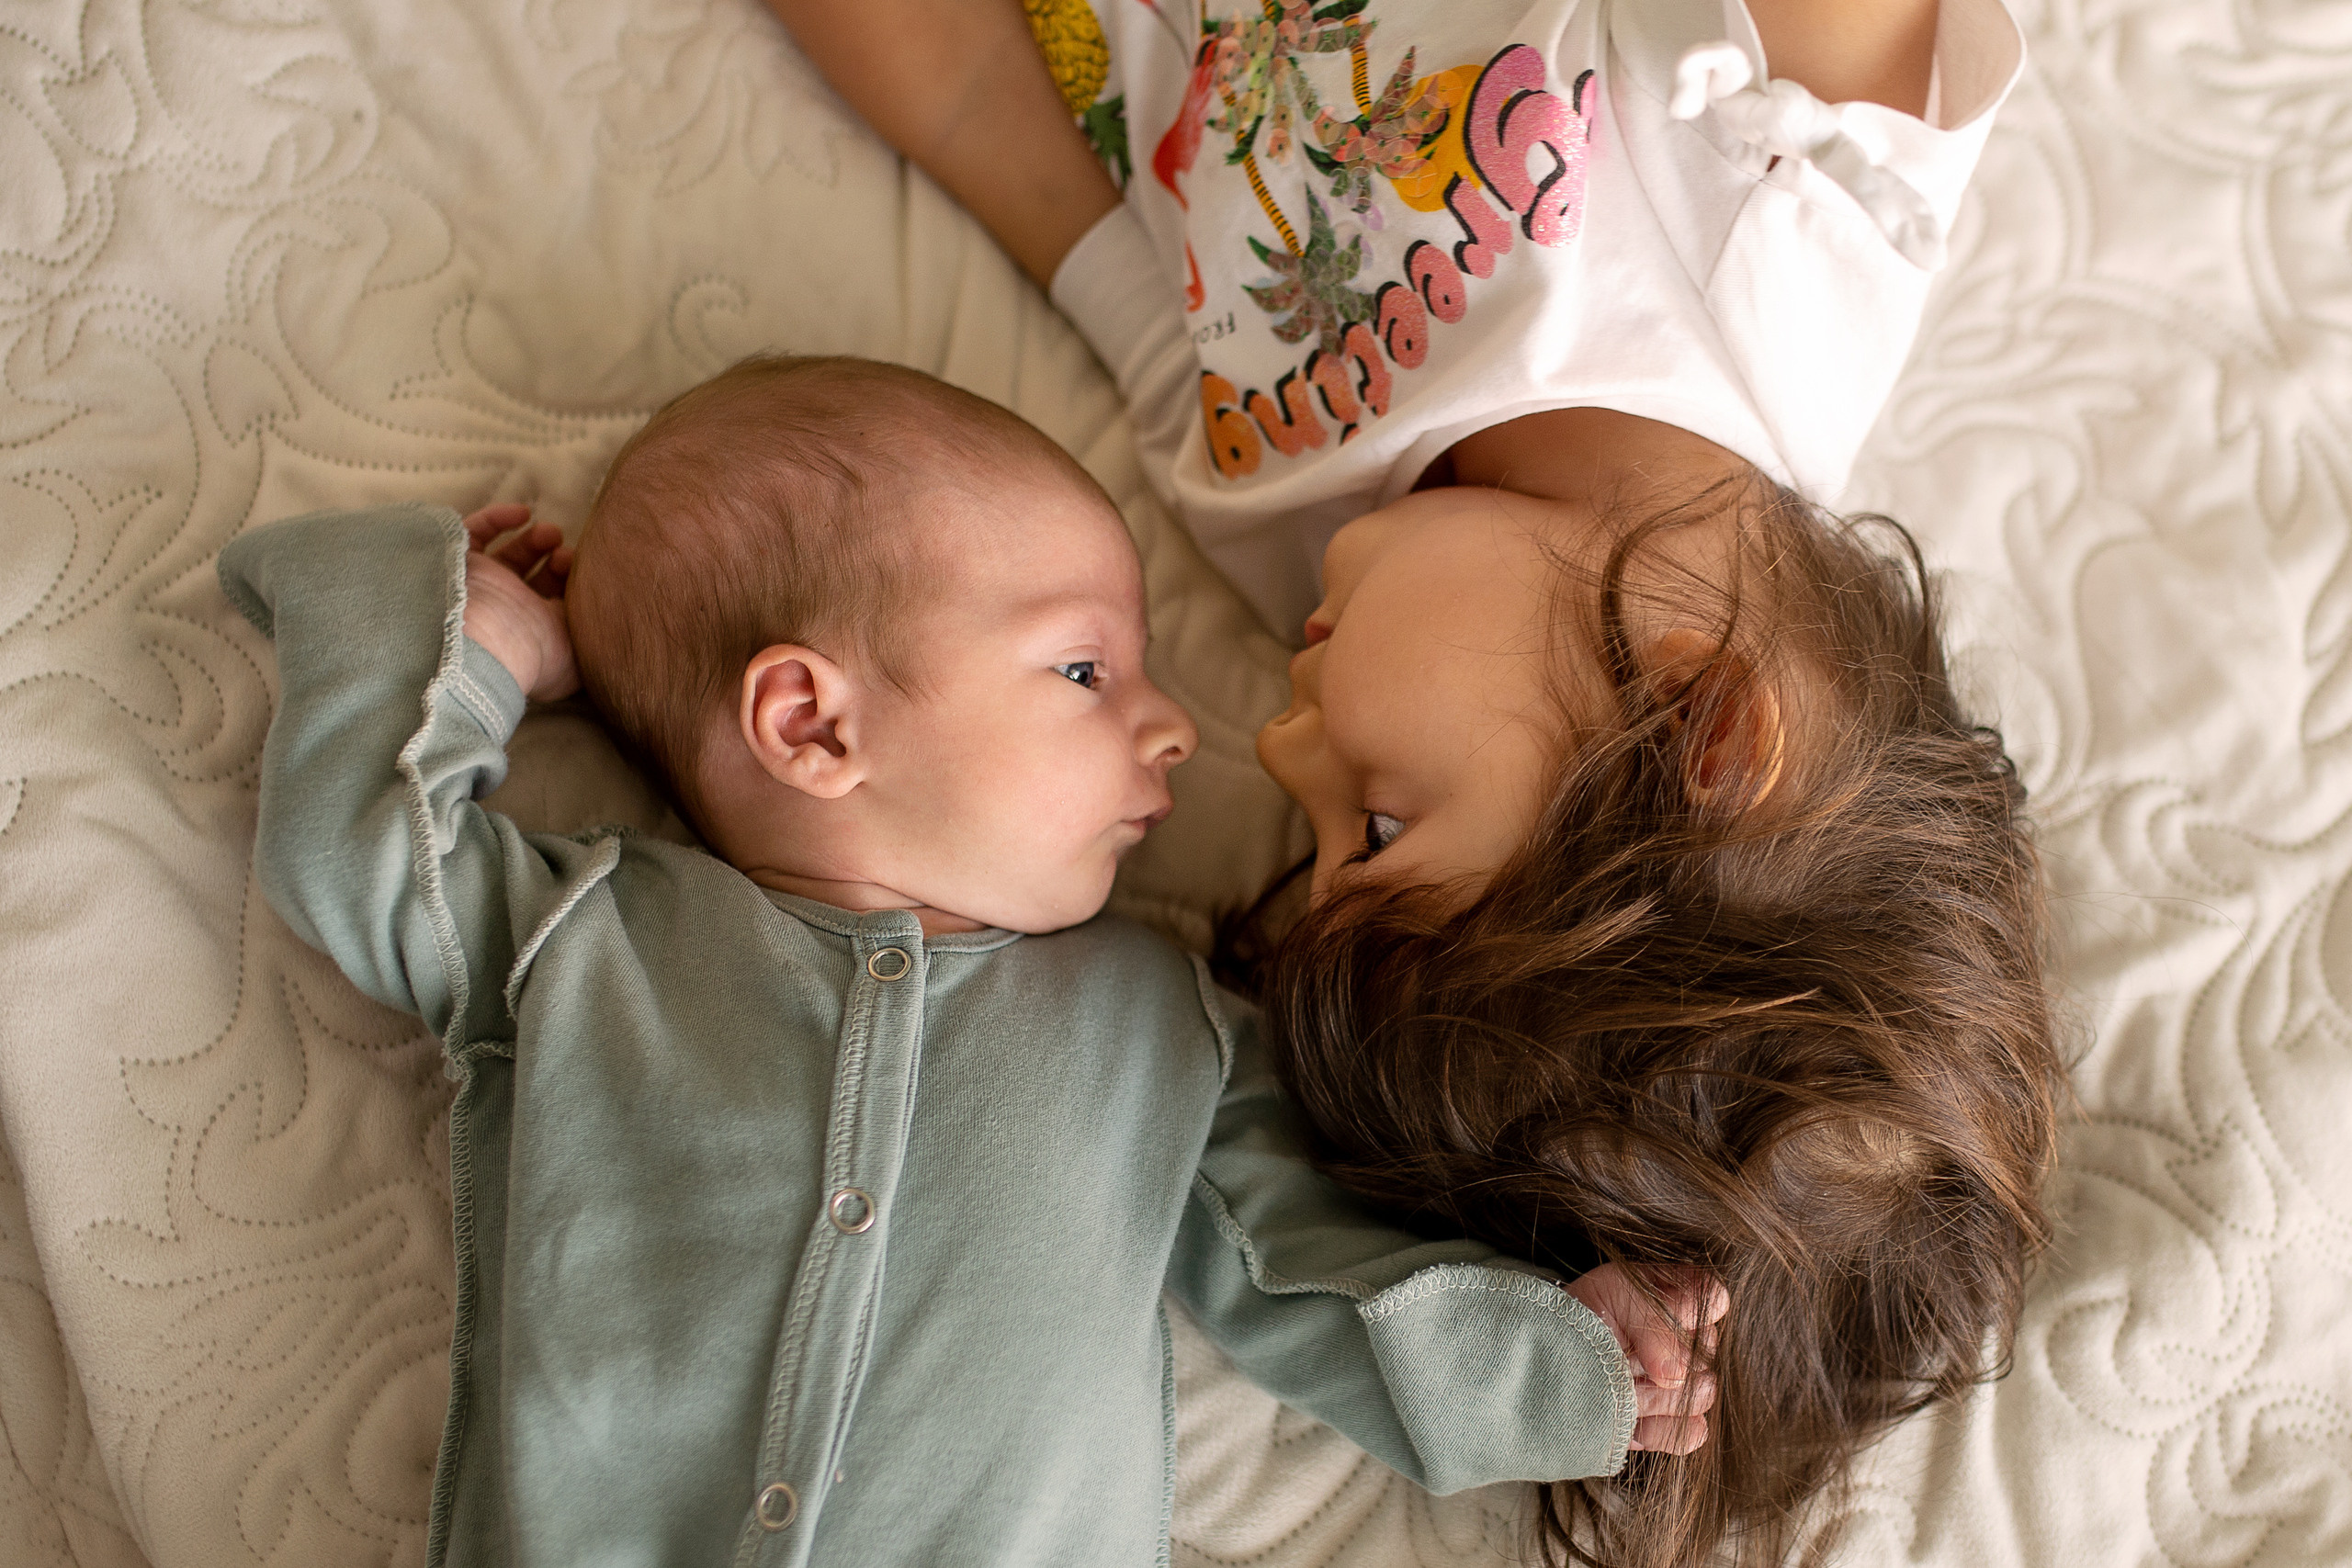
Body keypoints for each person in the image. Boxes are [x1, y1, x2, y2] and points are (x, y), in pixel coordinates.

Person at [759, 5, 2067, 1566]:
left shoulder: (1286, 507)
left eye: (1318, 844)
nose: (1282, 746)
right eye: (1374, 823)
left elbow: (987, 107)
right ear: (1706, 725)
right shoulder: (1785, 217)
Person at [217, 355, 1723, 1568]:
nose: (1173, 726)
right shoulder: (591, 937)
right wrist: (476, 643)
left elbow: (1304, 1271)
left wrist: (1558, 1364)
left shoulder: (1157, 1028)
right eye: (1082, 668)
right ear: (812, 725)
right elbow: (366, 859)